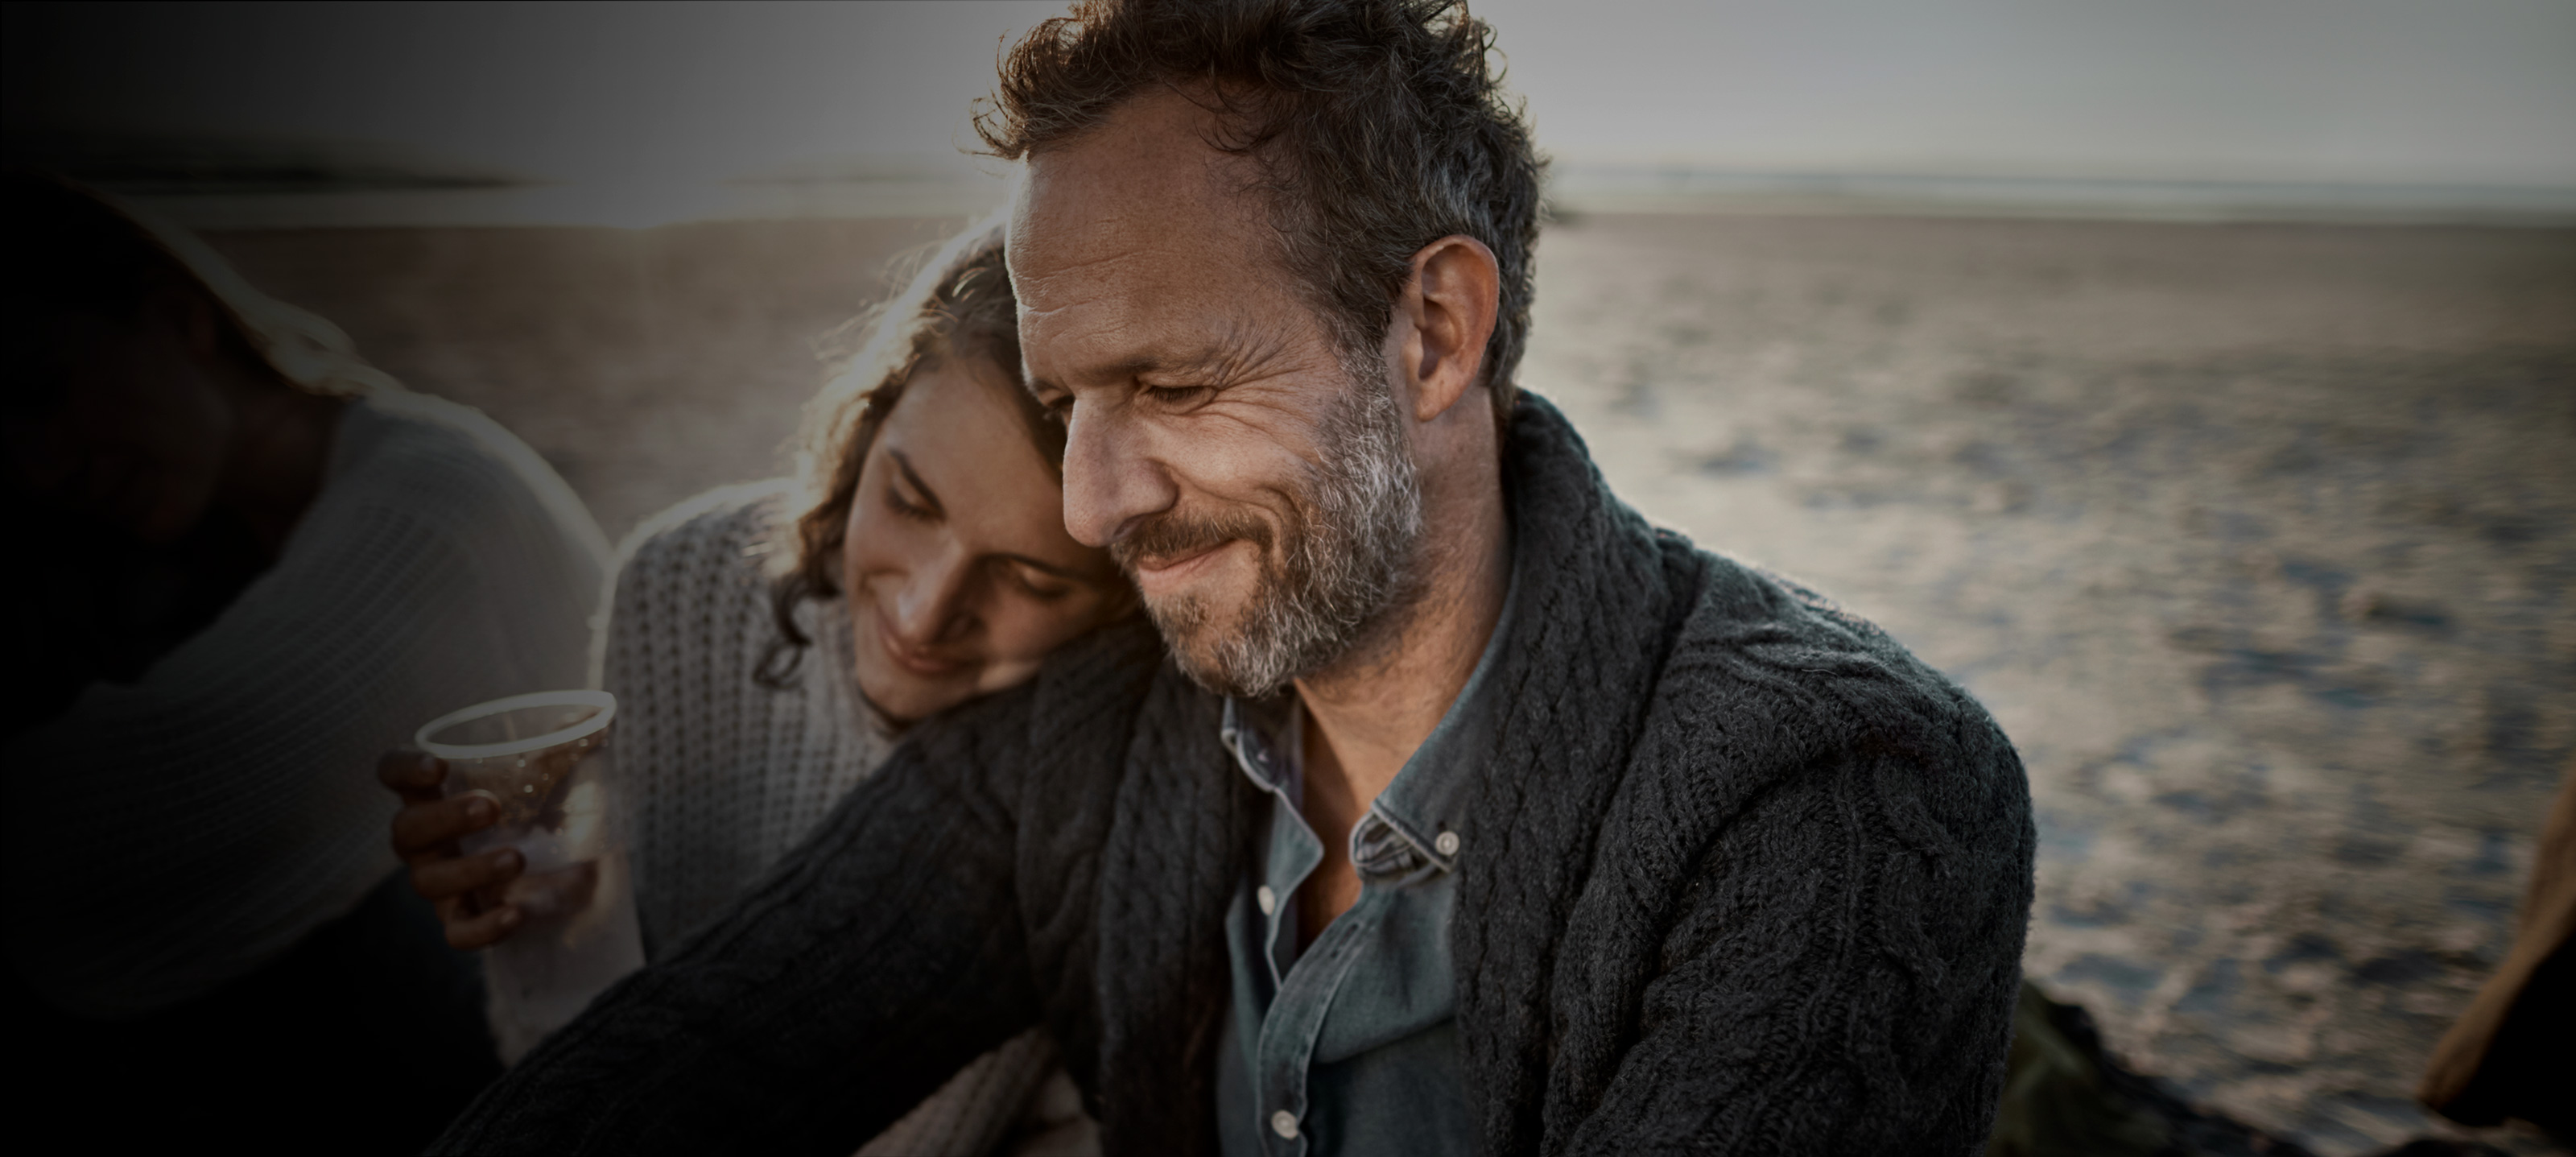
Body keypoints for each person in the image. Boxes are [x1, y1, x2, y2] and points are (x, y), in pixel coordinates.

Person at [432, 2, 2038, 1153]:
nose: (1096, 499)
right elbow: (695, 1061)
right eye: (1070, 403)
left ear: (1431, 333)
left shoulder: (1832, 791)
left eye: (1176, 386)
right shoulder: (1095, 738)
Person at [380, 224, 1130, 1155]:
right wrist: (551, 928)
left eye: (1031, 578)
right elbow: (585, 1055)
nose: (926, 611)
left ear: (1120, 600)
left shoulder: (1113, 747)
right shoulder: (688, 585)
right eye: (907, 499)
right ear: (865, 432)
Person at [1, 171, 606, 1151]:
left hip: (571, 1025)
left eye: (39, 392)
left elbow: (97, 820)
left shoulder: (434, 497)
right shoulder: (174, 555)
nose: (38, 464)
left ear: (177, 321)